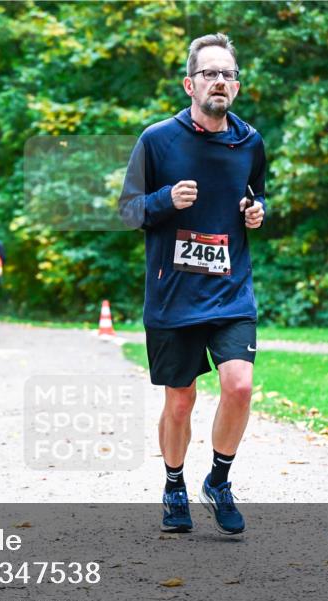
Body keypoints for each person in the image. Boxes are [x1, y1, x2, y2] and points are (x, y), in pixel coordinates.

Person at [118, 32, 266, 535]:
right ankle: (174, 484)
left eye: (228, 74)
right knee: (180, 400)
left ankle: (218, 481)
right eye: (209, 73)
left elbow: (256, 196)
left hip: (230, 290)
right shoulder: (157, 140)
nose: (219, 81)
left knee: (239, 385)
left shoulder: (250, 142)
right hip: (173, 295)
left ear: (236, 86)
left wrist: (257, 213)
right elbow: (127, 211)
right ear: (189, 84)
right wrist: (165, 200)